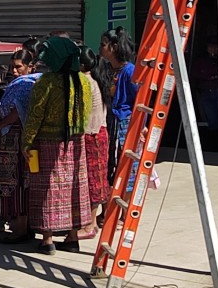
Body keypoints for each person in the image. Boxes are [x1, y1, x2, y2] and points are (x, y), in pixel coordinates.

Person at [21, 36, 92, 255]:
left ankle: (48, 239)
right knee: (74, 189)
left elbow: (36, 114)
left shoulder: (46, 82)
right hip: (75, 144)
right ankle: (72, 238)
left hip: (47, 144)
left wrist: (27, 141)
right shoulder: (84, 82)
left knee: (47, 190)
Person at [0, 48, 40, 243]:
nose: (14, 71)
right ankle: (24, 227)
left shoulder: (26, 84)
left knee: (19, 185)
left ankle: (20, 230)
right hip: (16, 140)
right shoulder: (25, 83)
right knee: (19, 184)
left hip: (17, 141)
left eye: (18, 67)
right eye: (12, 67)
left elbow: (17, 111)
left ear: (30, 67)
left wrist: (2, 124)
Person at [79, 46, 111, 238]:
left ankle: (89, 225)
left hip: (91, 134)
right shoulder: (97, 79)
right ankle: (90, 222)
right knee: (96, 178)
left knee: (92, 181)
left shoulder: (86, 81)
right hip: (99, 132)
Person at [99, 27, 137, 186]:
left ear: (114, 48)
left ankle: (125, 209)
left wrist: (141, 126)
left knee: (127, 167)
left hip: (126, 123)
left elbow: (138, 100)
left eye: (103, 44)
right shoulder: (108, 69)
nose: (100, 48)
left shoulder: (130, 71)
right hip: (112, 121)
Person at [191, 37, 218, 133]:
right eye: (210, 47)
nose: (213, 49)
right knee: (211, 117)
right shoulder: (201, 61)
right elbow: (195, 74)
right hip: (206, 91)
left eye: (215, 47)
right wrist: (208, 76)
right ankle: (214, 137)